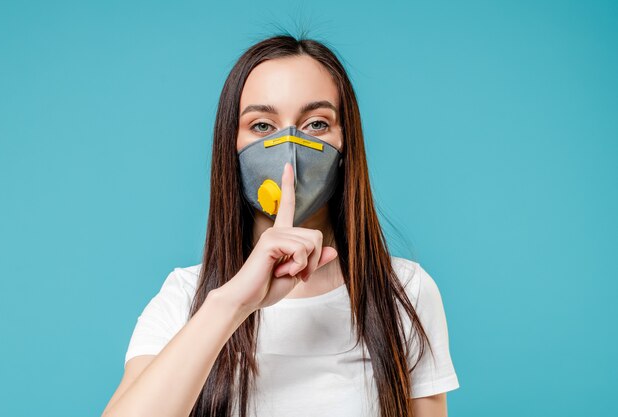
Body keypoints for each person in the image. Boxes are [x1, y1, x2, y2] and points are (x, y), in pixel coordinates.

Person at [102, 34, 460, 417]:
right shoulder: (184, 299)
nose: (290, 145)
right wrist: (233, 303)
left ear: (346, 146)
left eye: (317, 123)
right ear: (231, 147)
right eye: (261, 126)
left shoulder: (404, 292)